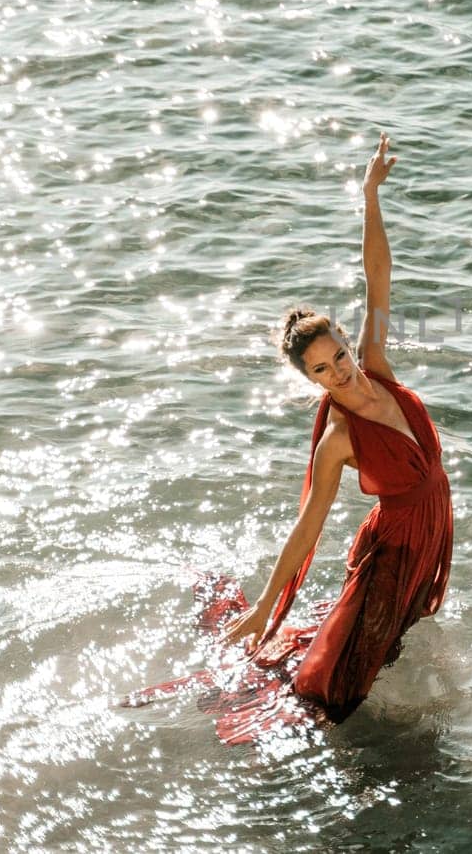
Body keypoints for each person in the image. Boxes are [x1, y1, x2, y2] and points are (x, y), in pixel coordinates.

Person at [121, 134, 454, 736]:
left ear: (350, 345)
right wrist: (268, 604)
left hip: (429, 528)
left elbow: (378, 273)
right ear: (310, 378)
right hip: (393, 550)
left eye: (339, 356)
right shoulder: (340, 439)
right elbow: (308, 526)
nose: (340, 373)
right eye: (322, 371)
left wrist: (370, 194)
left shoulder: (378, 366)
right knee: (327, 690)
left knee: (386, 647)